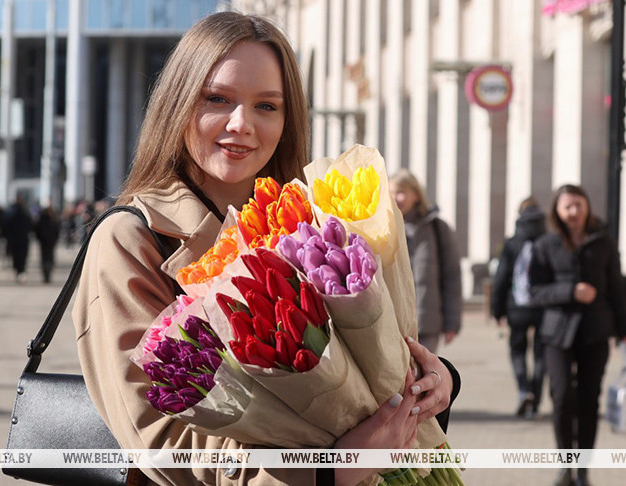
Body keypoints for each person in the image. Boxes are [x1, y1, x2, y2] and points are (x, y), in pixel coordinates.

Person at [72, 12, 459, 486]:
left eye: (267, 106)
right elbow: (160, 438)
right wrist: (326, 472)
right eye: (217, 99)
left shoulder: (318, 216)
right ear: (178, 104)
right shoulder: (131, 240)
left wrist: (430, 382)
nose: (242, 124)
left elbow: (366, 361)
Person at [529, 184, 626, 486]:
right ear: (558, 211)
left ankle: (583, 470)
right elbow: (534, 291)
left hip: (595, 333)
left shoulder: (602, 243)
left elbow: (617, 290)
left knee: (589, 400)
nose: (574, 211)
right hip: (557, 334)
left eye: (579, 204)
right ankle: (566, 464)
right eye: (568, 206)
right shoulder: (545, 245)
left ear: (587, 206)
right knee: (563, 397)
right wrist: (570, 291)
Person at [389, 169, 462, 353]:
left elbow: (451, 276)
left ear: (416, 194)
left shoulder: (437, 228)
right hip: (391, 324)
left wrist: (451, 322)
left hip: (427, 323)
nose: (396, 198)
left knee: (424, 378)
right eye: (391, 193)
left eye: (401, 192)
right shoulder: (383, 226)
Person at [491, 197, 547, 419]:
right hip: (545, 307)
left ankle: (524, 391)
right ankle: (536, 398)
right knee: (542, 355)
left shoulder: (512, 243)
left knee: (517, 351)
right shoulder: (549, 241)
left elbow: (501, 278)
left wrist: (497, 310)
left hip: (517, 308)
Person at [5, 195, 33, 283]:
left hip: (15, 239)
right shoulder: (24, 211)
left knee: (17, 257)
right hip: (21, 239)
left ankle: (19, 272)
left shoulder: (12, 211)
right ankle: (20, 272)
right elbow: (30, 224)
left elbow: (7, 225)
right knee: (21, 257)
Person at [34, 203, 60, 283]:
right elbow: (56, 230)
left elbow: (37, 229)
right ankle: (47, 274)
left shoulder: (48, 218)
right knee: (48, 258)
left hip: (46, 242)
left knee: (46, 258)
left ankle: (47, 274)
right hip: (48, 242)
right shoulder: (51, 218)